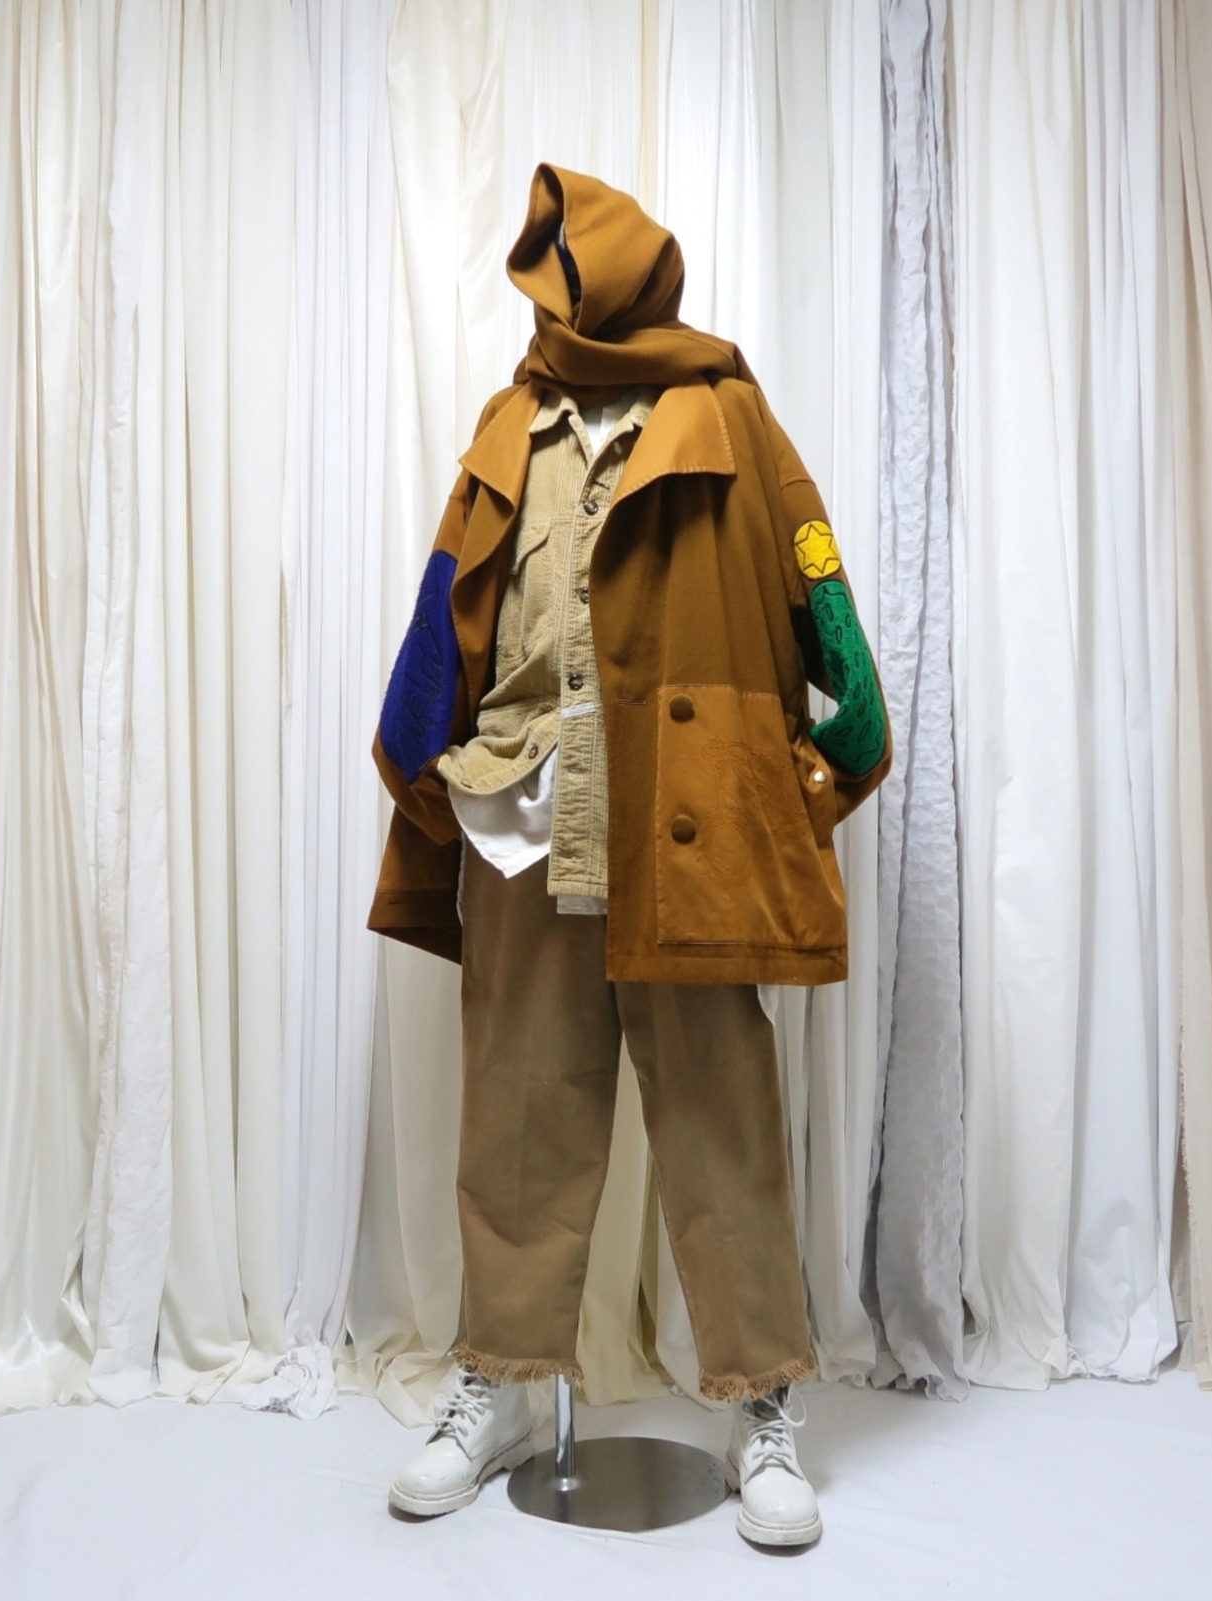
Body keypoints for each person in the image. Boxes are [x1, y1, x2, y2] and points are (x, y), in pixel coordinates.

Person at [370, 164, 891, 1548]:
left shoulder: (728, 412)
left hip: (690, 832)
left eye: (568, 261)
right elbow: (446, 610)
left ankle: (762, 1400)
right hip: (523, 818)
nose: (554, 286)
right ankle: (499, 1378)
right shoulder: (510, 422)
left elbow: (838, 643)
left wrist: (800, 790)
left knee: (723, 1119)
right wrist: (418, 773)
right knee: (515, 1116)